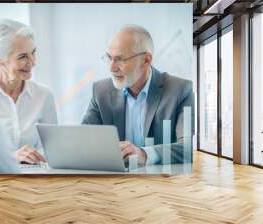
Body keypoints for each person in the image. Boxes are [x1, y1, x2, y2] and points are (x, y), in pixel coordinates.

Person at [82, 24, 194, 165]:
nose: (111, 67)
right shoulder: (100, 91)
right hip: (113, 183)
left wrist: (144, 154)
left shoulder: (181, 90)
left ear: (146, 60)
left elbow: (189, 148)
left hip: (162, 182)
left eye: (120, 59)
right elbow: (83, 140)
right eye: (109, 57)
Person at [0, 19, 57, 170]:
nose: (33, 62)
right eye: (23, 57)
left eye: (33, 53)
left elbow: (53, 148)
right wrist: (12, 157)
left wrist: (38, 155)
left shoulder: (44, 95)